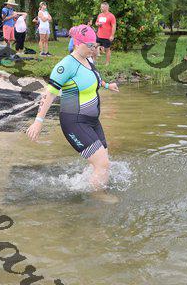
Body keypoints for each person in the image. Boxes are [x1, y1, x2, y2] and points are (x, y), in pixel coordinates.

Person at [27, 24, 119, 189]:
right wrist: (38, 121)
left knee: (104, 162)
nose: (93, 49)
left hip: (92, 122)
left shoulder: (87, 60)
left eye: (94, 45)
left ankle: (89, 186)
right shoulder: (66, 65)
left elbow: (92, 79)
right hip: (74, 122)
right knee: (102, 164)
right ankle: (98, 199)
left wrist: (107, 85)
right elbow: (49, 93)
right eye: (89, 45)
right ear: (77, 43)